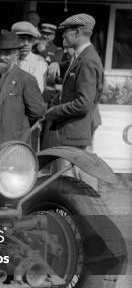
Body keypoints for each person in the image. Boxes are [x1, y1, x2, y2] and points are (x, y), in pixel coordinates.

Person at [44, 14, 102, 189]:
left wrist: (53, 112)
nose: (62, 37)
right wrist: (56, 64)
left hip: (74, 134)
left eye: (66, 33)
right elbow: (71, 66)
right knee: (72, 184)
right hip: (72, 132)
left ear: (77, 33)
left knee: (74, 187)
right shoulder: (82, 57)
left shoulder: (88, 60)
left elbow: (83, 104)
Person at [0, 30, 46, 153]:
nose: (2, 57)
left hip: (11, 145)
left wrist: (18, 127)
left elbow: (38, 111)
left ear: (16, 54)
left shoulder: (26, 79)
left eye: (7, 53)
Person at [0, 21, 48, 93]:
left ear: (34, 41)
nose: (26, 43)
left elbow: (35, 91)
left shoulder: (39, 63)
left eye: (29, 39)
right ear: (14, 39)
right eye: (22, 38)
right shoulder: (4, 59)